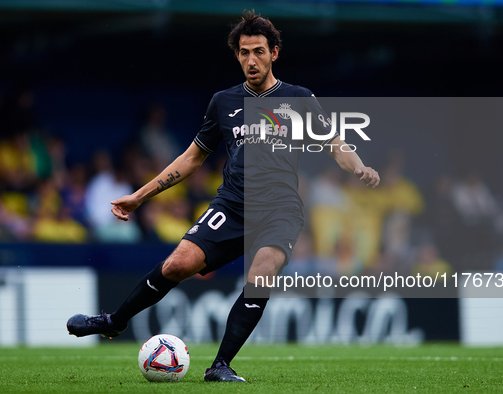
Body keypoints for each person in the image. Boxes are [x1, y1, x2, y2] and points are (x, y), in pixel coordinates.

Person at [67, 11, 380, 383]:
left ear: (274, 53)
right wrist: (139, 196)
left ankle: (220, 366)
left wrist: (359, 167)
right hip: (231, 205)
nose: (252, 60)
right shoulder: (223, 102)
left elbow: (335, 144)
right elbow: (192, 158)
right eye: (244, 52)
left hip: (280, 210)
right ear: (237, 55)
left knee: (260, 275)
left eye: (259, 52)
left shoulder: (299, 99)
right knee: (175, 266)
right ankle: (115, 322)